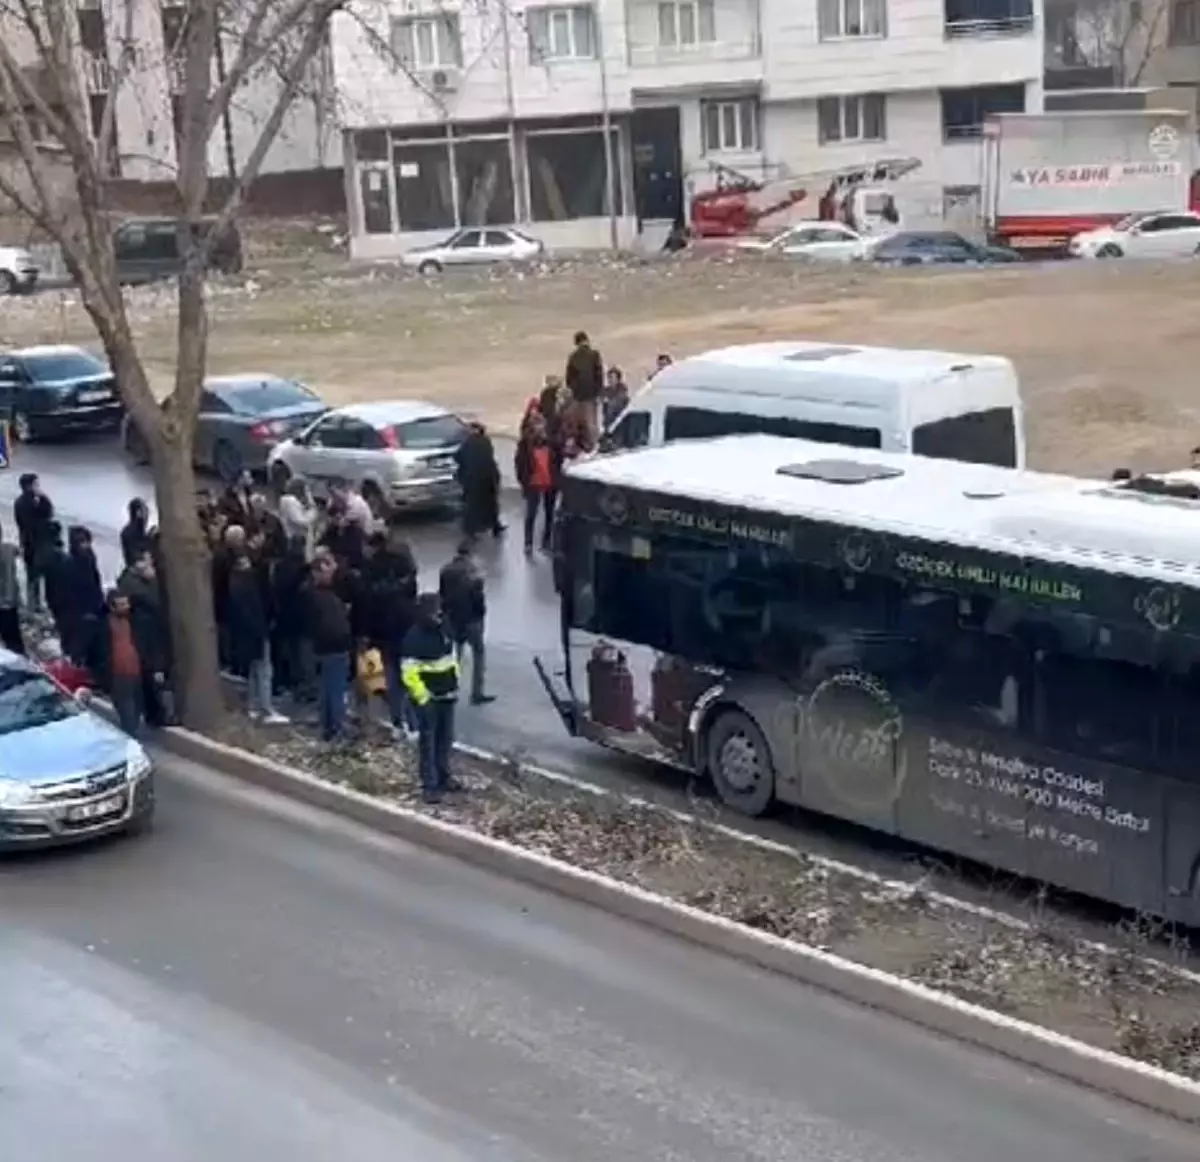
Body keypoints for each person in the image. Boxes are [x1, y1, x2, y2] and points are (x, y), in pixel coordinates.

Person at [360, 519, 420, 739]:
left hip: (383, 632)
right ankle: (414, 725)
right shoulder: (402, 564)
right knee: (409, 678)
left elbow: (367, 602)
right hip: (404, 628)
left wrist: (366, 634)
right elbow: (412, 589)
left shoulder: (371, 568)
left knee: (391, 680)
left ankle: (397, 724)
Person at [401, 592, 462, 803]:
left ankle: (444, 776)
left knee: (445, 739)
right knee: (428, 742)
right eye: (434, 610)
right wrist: (423, 698)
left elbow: (451, 658)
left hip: (447, 694)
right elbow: (409, 672)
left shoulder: (444, 630)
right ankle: (430, 785)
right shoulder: (414, 638)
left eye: (439, 610)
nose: (438, 614)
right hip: (429, 698)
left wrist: (454, 683)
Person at [228, 548, 287, 723]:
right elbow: (255, 610)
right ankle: (266, 708)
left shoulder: (234, 582)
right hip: (257, 633)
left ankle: (252, 706)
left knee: (254, 670)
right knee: (264, 670)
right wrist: (263, 629)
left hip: (245, 635)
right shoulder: (247, 583)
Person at [117, 549, 171, 727]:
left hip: (146, 635)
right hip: (145, 636)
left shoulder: (133, 581)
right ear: (138, 564)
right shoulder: (135, 586)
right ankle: (156, 716)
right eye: (148, 562)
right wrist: (153, 580)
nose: (151, 566)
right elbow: (153, 603)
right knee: (151, 677)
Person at [304, 550, 353, 742]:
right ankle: (337, 728)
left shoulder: (311, 593)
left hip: (323, 645)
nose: (331, 574)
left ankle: (328, 726)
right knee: (336, 688)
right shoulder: (320, 595)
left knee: (326, 687)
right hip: (335, 644)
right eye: (326, 570)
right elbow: (331, 621)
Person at [438, 540, 493, 705]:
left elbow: (442, 594)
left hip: (452, 618)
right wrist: (481, 614)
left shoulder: (445, 570)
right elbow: (478, 598)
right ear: (470, 553)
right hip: (471, 620)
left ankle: (450, 689)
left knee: (454, 654)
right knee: (478, 653)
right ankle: (477, 692)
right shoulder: (474, 572)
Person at [94, 589, 145, 737]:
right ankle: (132, 737)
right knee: (126, 708)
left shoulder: (135, 620)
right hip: (117, 673)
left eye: (126, 603)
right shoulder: (103, 625)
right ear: (112, 607)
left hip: (137, 670)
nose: (126, 607)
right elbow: (99, 650)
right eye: (121, 604)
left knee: (138, 705)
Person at [514, 413, 562, 554]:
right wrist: (524, 482)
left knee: (549, 514)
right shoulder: (524, 445)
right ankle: (528, 543)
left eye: (541, 424)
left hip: (550, 483)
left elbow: (558, 460)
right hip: (533, 484)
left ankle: (546, 542)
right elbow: (520, 465)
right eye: (536, 424)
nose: (539, 428)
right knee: (531, 514)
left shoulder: (551, 443)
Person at [58, 525, 104, 664]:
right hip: (77, 615)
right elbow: (66, 593)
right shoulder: (68, 564)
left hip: (92, 610)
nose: (86, 546)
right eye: (83, 542)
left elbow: (95, 583)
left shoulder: (90, 559)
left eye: (87, 542)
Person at [455, 421, 503, 541]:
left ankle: (471, 530)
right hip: (488, 477)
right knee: (491, 503)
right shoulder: (486, 441)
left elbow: (458, 457)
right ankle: (495, 526)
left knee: (471, 506)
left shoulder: (468, 443)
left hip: (473, 478)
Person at [13, 472, 54, 611]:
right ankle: (37, 604)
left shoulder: (22, 502)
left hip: (29, 543)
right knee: (39, 575)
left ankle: (35, 603)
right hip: (36, 544)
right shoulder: (28, 502)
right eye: (36, 484)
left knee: (33, 575)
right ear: (29, 486)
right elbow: (47, 515)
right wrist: (40, 501)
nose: (39, 487)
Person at [565, 331, 603, 449]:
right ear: (587, 340)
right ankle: (594, 445)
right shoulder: (594, 354)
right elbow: (599, 375)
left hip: (577, 395)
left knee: (575, 420)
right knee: (591, 422)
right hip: (591, 394)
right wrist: (598, 392)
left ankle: (579, 444)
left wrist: (574, 390)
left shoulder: (573, 357)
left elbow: (569, 378)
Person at [0, 521, 24, 654]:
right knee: (14, 640)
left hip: (2, 603)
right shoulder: (8, 548)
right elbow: (19, 551)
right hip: (11, 602)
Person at [278, 477, 316, 553]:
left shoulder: (286, 500)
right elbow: (301, 521)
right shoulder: (290, 501)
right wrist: (312, 508)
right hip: (294, 538)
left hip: (292, 537)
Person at [120, 498, 152, 568]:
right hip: (138, 569)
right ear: (138, 513)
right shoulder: (129, 532)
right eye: (145, 512)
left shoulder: (141, 530)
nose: (147, 515)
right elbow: (135, 558)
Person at [601, 366, 630, 430]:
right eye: (609, 377)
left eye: (612, 377)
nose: (610, 380)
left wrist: (608, 402)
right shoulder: (605, 390)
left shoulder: (622, 390)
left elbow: (619, 401)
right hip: (608, 422)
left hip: (620, 421)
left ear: (618, 379)